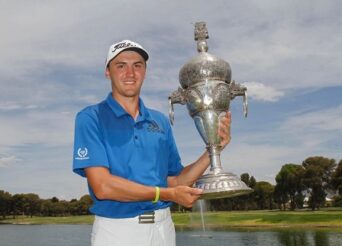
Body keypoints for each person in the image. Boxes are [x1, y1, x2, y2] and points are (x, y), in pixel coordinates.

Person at [73, 39, 231, 246]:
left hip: (163, 228)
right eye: (121, 65)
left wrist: (213, 149)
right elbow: (103, 186)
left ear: (145, 72)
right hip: (118, 232)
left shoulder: (160, 121)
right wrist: (167, 194)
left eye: (137, 65)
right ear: (107, 72)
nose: (130, 73)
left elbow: (175, 181)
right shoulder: (91, 117)